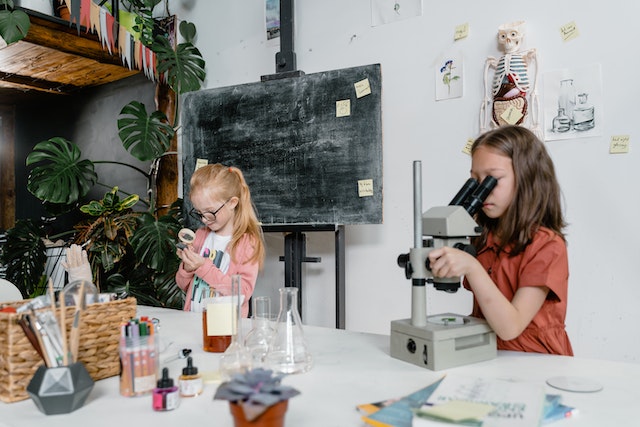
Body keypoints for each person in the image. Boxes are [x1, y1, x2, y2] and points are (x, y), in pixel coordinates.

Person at [428, 125, 573, 356]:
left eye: (492, 180)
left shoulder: (547, 246)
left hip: (536, 362)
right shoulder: (483, 238)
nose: (481, 192)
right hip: (490, 354)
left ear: (526, 178)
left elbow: (509, 327)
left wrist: (472, 267)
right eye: (475, 181)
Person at [176, 164, 265, 317]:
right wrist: (188, 268)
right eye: (199, 213)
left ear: (232, 203)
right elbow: (183, 285)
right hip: (194, 320)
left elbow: (241, 293)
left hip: (227, 327)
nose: (204, 219)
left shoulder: (246, 243)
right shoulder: (200, 235)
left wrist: (203, 266)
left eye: (210, 213)